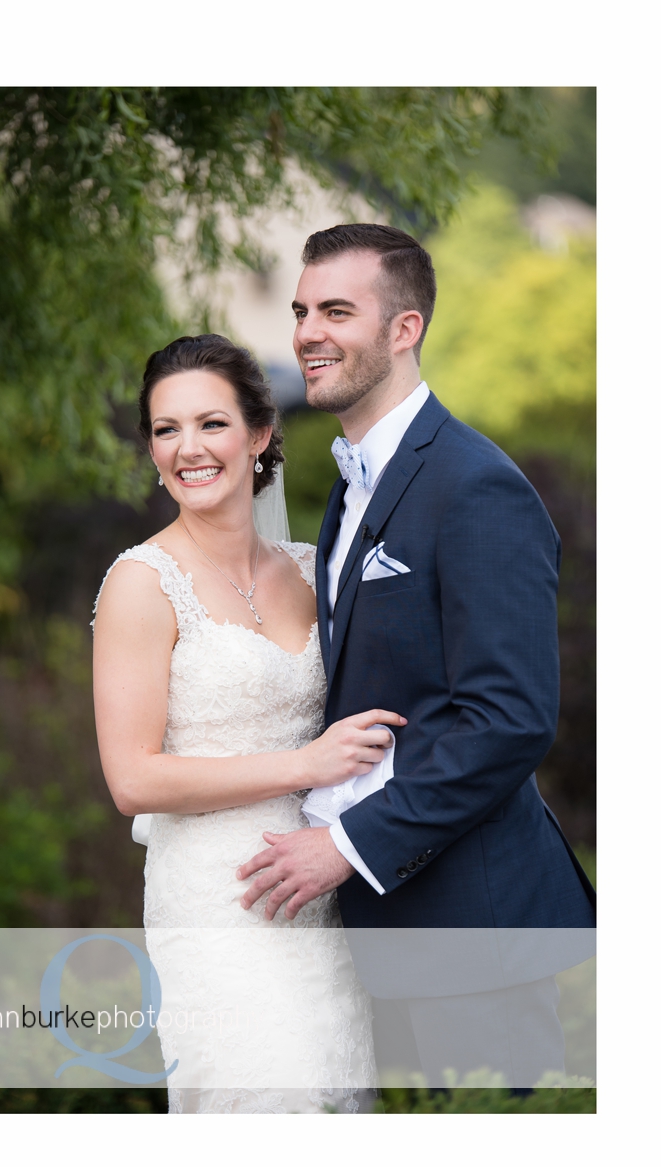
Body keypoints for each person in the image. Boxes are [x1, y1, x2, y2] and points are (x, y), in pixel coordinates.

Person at [231, 224, 595, 1089]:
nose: (308, 332)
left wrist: (347, 845)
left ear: (405, 329)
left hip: (469, 934)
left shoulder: (476, 486)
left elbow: (508, 722)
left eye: (337, 311)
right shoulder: (356, 486)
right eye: (301, 312)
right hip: (376, 930)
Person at [92, 334, 404, 1113]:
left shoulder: (312, 567)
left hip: (322, 897)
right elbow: (133, 779)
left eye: (211, 424)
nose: (187, 450)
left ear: (260, 435)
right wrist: (305, 764)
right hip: (215, 904)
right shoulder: (142, 582)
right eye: (166, 430)